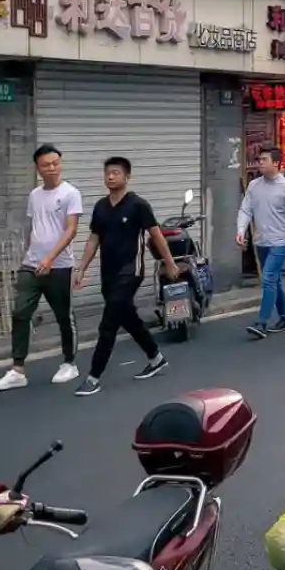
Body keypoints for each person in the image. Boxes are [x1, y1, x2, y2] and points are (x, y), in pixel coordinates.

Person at [72, 157, 178, 396]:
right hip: (108, 272)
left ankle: (93, 376)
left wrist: (169, 262)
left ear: (126, 177)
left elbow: (156, 235)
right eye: (107, 173)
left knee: (108, 323)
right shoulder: (100, 207)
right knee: (127, 318)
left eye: (116, 173)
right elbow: (93, 240)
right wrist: (81, 268)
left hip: (131, 270)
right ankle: (156, 357)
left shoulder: (138, 205)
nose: (110, 177)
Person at [0, 145, 83, 392]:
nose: (52, 168)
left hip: (59, 266)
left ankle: (69, 363)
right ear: (38, 168)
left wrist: (50, 259)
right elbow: (37, 228)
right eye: (46, 165)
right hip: (31, 264)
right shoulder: (35, 195)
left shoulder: (71, 193)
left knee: (64, 316)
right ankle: (17, 370)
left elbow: (71, 230)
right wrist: (32, 255)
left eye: (55, 163)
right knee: (20, 312)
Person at [237, 145, 285, 340]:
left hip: (281, 241)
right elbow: (245, 209)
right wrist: (240, 230)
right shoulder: (254, 185)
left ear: (276, 163)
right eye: (260, 159)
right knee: (275, 279)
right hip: (261, 241)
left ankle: (261, 322)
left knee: (268, 278)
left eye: (264, 159)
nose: (260, 163)